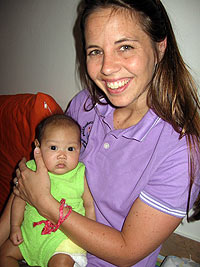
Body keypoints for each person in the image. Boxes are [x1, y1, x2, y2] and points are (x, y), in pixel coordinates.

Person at [0, 0, 200, 266]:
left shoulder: (180, 151)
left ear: (160, 47)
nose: (107, 67)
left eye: (125, 47)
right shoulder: (85, 104)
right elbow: (30, 181)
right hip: (37, 238)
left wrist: (45, 203)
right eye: (95, 51)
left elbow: (128, 251)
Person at [0, 114, 95, 267]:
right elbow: (19, 199)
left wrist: (89, 235)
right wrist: (15, 226)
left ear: (79, 149)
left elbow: (89, 204)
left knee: (62, 263)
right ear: (37, 146)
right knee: (4, 255)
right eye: (53, 148)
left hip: (63, 239)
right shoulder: (32, 168)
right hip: (30, 234)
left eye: (70, 149)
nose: (62, 155)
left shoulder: (80, 173)